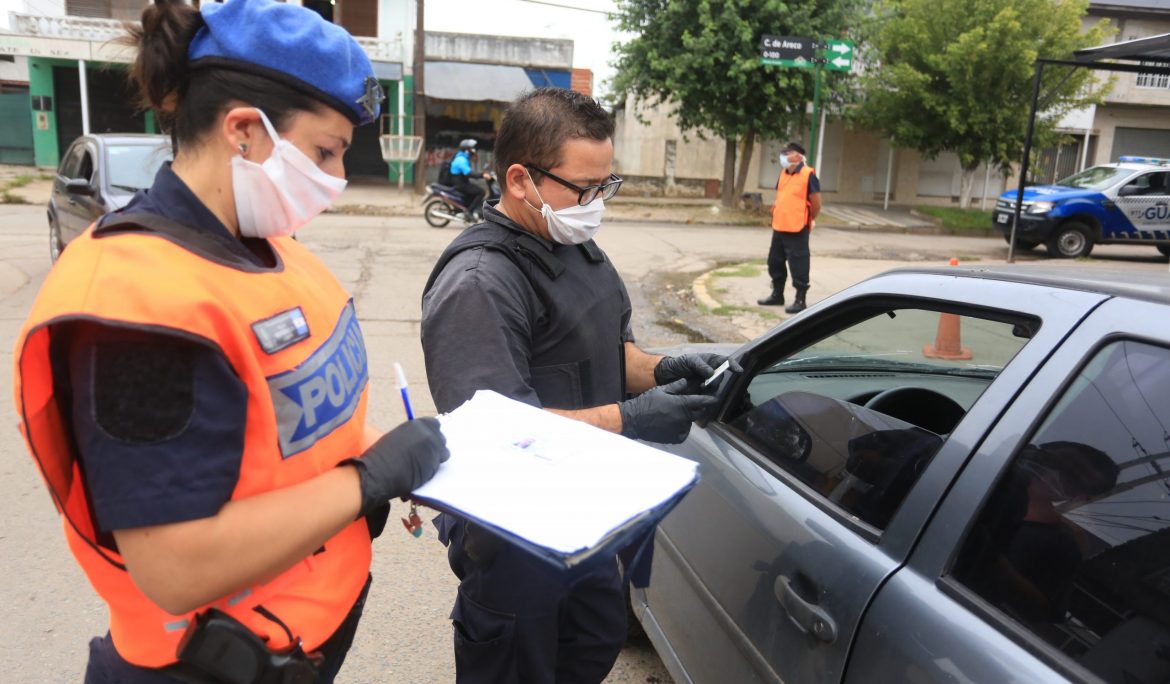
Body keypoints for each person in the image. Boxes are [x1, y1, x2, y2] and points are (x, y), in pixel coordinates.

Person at [12, 1, 449, 682]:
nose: (334, 179)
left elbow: (283, 441)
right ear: (244, 129)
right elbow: (176, 567)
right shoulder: (141, 306)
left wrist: (382, 456)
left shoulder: (273, 252)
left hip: (299, 637)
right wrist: (370, 480)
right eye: (326, 151)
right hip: (207, 666)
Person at [420, 87, 727, 684]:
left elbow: (616, 354)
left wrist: (664, 369)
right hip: (515, 535)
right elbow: (495, 437)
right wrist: (632, 420)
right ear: (519, 179)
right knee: (519, 665)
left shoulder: (577, 248)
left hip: (585, 514)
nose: (596, 204)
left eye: (605, 186)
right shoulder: (481, 283)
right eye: (583, 189)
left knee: (591, 640)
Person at [758, 141, 822, 313]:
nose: (784, 156)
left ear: (799, 156)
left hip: (797, 227)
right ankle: (777, 294)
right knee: (774, 262)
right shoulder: (784, 174)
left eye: (788, 153)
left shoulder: (808, 174)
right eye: (783, 153)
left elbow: (816, 203)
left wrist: (809, 218)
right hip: (779, 226)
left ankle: (800, 300)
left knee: (799, 263)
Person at [451, 138, 488, 220]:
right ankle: (469, 212)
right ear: (466, 150)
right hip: (461, 185)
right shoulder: (461, 160)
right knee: (481, 192)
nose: (473, 150)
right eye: (471, 148)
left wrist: (481, 174)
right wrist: (482, 175)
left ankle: (473, 210)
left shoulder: (463, 158)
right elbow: (469, 173)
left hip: (462, 183)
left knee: (475, 191)